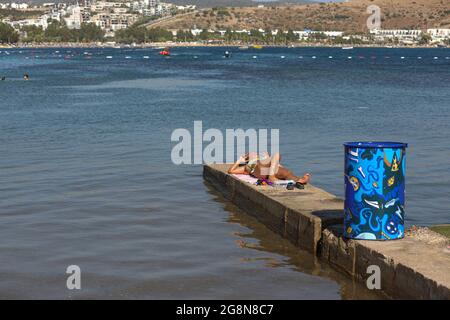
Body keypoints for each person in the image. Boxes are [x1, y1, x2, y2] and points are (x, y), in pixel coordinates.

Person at [228, 152, 311, 185]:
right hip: (258, 170)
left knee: (287, 173)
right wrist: (239, 160)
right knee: (277, 153)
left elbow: (273, 162)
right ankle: (272, 177)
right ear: (247, 158)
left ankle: (299, 180)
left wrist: (267, 157)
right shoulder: (247, 166)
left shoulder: (260, 158)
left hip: (267, 170)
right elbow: (231, 171)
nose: (254, 153)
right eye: (249, 154)